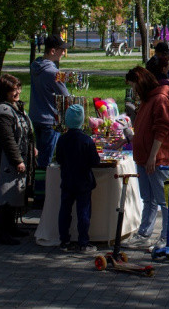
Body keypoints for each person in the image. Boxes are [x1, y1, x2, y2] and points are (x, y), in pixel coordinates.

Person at [125, 67, 169, 251]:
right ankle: (144, 233)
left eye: (134, 86)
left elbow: (162, 129)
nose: (134, 91)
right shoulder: (148, 99)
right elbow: (144, 127)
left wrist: (153, 155)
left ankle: (166, 237)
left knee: (165, 200)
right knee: (148, 199)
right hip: (145, 158)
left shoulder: (160, 99)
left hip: (157, 160)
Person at [0, 74, 36, 245]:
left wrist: (32, 149)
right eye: (13, 89)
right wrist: (17, 160)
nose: (17, 92)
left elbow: (25, 131)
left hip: (17, 158)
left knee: (15, 193)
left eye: (18, 88)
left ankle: (11, 227)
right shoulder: (2, 111)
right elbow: (7, 138)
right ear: (4, 91)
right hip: (5, 162)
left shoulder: (15, 107)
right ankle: (2, 232)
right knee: (3, 195)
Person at [55, 104, 100, 252]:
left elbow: (59, 158)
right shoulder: (86, 140)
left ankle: (64, 240)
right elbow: (95, 161)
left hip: (67, 179)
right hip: (83, 181)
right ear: (82, 121)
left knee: (65, 210)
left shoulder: (62, 139)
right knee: (84, 212)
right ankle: (83, 242)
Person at [29, 34, 69, 168]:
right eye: (61, 50)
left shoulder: (34, 66)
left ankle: (37, 184)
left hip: (36, 116)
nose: (63, 53)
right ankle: (43, 187)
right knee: (46, 160)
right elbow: (66, 96)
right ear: (52, 51)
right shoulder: (55, 73)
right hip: (50, 120)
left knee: (40, 155)